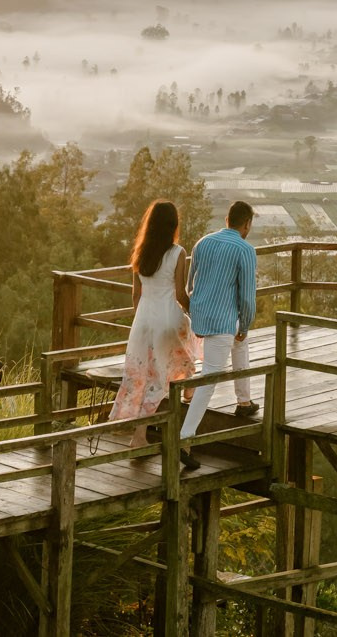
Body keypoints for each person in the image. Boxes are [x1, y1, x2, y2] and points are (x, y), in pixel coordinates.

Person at [109, 199, 203, 446]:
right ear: (172, 225)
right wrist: (195, 313)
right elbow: (182, 295)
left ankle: (137, 433)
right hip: (168, 318)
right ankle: (188, 389)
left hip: (144, 321)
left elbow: (135, 294)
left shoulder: (140, 253)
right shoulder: (177, 253)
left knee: (143, 375)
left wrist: (141, 319)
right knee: (185, 346)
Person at [178, 201, 259, 468]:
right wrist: (244, 324)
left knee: (240, 341)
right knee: (209, 379)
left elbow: (190, 284)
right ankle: (185, 438)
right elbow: (247, 298)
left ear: (227, 219)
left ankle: (244, 401)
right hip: (222, 322)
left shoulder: (203, 243)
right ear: (246, 223)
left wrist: (239, 329)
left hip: (200, 317)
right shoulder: (245, 250)